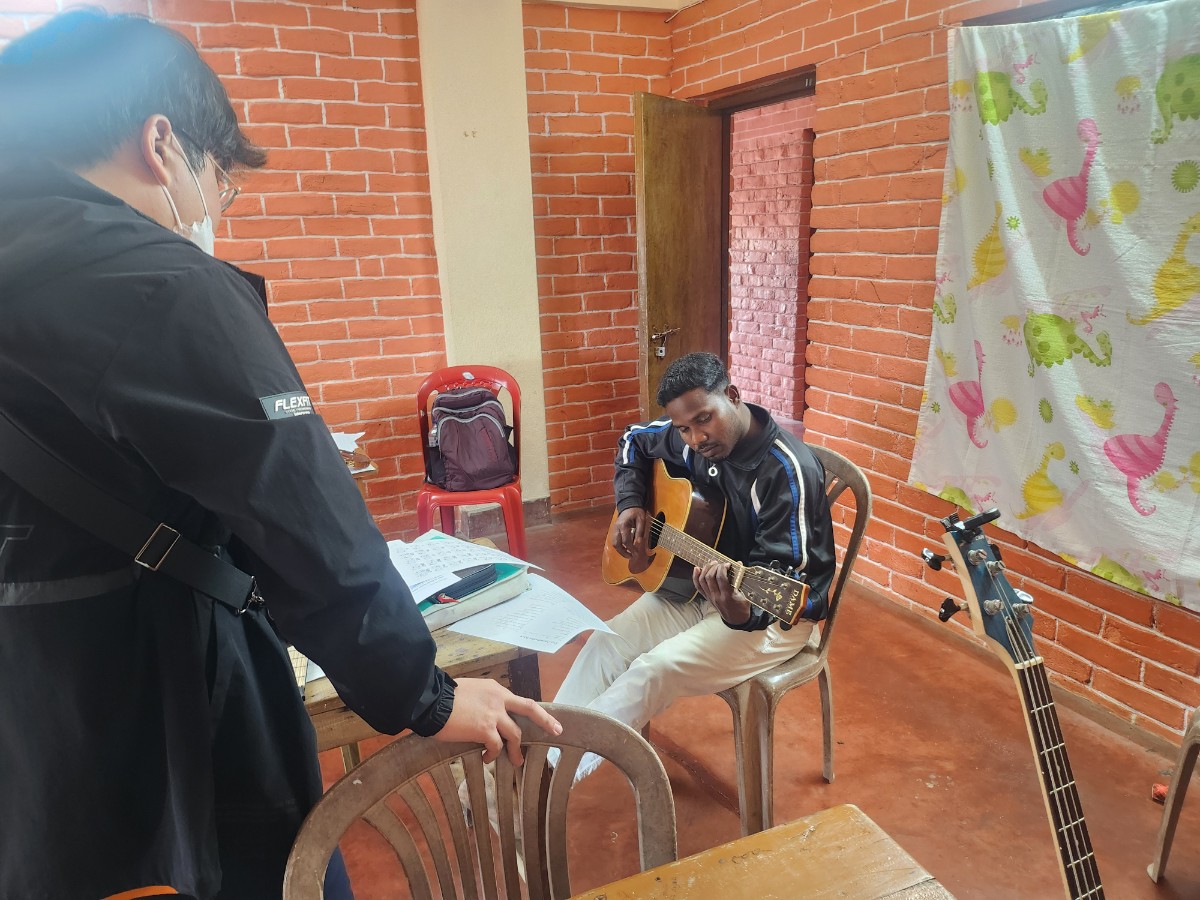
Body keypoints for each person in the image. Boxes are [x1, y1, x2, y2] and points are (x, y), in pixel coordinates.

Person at [0, 11, 558, 900]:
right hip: (168, 698)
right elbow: (306, 520)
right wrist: (427, 696)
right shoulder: (164, 285)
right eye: (219, 183)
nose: (211, 211)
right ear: (161, 144)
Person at [553, 352, 835, 780]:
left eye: (704, 419)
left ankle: (550, 775)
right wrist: (630, 503)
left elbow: (792, 585)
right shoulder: (691, 440)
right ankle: (540, 753)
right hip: (695, 589)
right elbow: (633, 439)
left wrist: (738, 611)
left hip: (773, 619)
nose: (696, 438)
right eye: (683, 428)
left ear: (733, 396)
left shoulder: (784, 472)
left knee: (652, 671)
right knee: (604, 644)